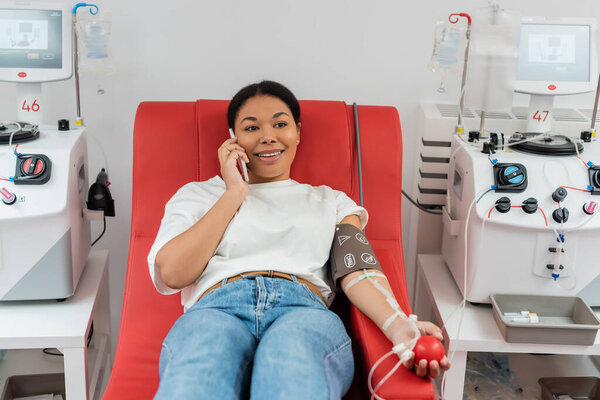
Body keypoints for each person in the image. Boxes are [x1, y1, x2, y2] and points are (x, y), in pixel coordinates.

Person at [148, 80, 450, 399]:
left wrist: (402, 327)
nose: (268, 136)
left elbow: (358, 272)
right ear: (233, 139)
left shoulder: (332, 202)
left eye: (280, 124)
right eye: (252, 128)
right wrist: (233, 193)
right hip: (215, 310)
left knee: (293, 370)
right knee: (198, 375)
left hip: (302, 310)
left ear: (298, 132)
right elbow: (172, 274)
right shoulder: (197, 195)